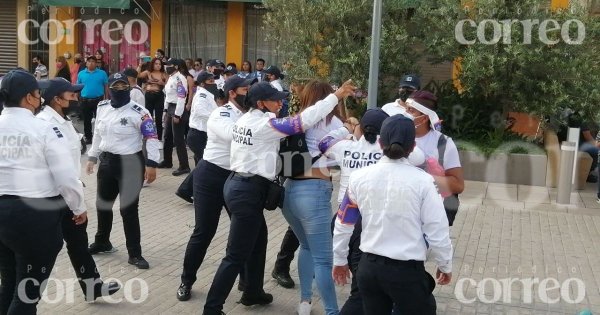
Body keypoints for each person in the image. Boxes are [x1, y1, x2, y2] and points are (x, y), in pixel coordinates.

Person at [201, 80, 356, 315]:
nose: (280, 102)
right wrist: (337, 96)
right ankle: (212, 308)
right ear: (261, 103)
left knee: (259, 240)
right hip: (249, 190)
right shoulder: (267, 125)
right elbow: (303, 120)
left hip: (240, 185)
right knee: (235, 255)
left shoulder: (244, 119)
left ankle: (253, 291)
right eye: (275, 99)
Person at [332, 114, 453, 315]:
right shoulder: (424, 182)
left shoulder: (358, 178)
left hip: (368, 269)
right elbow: (436, 229)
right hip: (406, 273)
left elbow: (344, 223)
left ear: (380, 143)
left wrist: (339, 260)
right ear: (413, 146)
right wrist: (445, 263)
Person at [320, 109, 424, 315]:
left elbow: (323, 144)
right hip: (370, 224)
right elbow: (419, 156)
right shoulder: (388, 150)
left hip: (344, 219)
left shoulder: (346, 147)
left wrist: (346, 129)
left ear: (361, 127)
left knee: (365, 287)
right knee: (362, 293)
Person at [0, 69, 85, 314]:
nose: (40, 99)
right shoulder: (43, 128)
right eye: (38, 94)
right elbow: (66, 177)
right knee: (27, 293)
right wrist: (78, 207)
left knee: (9, 284)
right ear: (29, 98)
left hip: (3, 213)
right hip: (33, 216)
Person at [37, 77, 121, 301]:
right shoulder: (47, 124)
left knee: (78, 244)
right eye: (72, 94)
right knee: (45, 251)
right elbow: (60, 170)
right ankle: (20, 296)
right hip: (55, 196)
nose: (77, 97)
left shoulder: (62, 120)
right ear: (56, 99)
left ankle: (92, 286)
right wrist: (78, 205)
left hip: (66, 192)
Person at [176, 75, 255, 302]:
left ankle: (247, 283)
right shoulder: (221, 114)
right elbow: (236, 136)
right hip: (211, 176)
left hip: (238, 178)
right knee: (204, 231)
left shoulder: (249, 115)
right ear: (232, 93)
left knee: (243, 232)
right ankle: (186, 280)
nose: (248, 92)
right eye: (244, 89)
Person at [280, 80, 350, 315]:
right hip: (315, 190)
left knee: (305, 247)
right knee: (323, 259)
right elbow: (343, 156)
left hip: (290, 190)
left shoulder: (296, 121)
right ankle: (332, 311)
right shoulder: (333, 123)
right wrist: (348, 131)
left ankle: (305, 302)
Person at [85, 72, 160, 270]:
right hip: (107, 162)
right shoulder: (102, 108)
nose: (120, 90)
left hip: (130, 164)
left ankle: (135, 253)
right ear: (108, 89)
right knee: (103, 204)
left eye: (123, 86)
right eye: (115, 87)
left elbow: (151, 138)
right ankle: (102, 241)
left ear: (129, 87)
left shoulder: (140, 112)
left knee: (128, 210)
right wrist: (92, 156)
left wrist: (152, 164)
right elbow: (97, 134)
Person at [404, 91, 464, 226]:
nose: (405, 113)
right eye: (406, 109)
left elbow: (458, 185)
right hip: (403, 210)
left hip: (432, 214)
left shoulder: (443, 143)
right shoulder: (398, 137)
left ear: (425, 118)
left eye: (411, 110)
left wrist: (422, 176)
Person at [174, 71, 219, 203]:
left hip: (203, 134)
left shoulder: (208, 94)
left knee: (203, 165)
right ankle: (187, 190)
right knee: (205, 165)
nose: (214, 83)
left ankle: (190, 190)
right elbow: (200, 111)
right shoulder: (202, 96)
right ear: (203, 83)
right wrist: (217, 115)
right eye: (211, 81)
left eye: (214, 81)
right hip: (198, 135)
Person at [159, 59, 190, 176]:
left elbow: (181, 97)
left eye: (169, 65)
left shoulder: (180, 78)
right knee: (167, 136)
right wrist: (165, 110)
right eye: (166, 65)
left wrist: (177, 114)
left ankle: (184, 166)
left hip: (178, 108)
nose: (167, 67)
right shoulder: (170, 77)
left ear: (176, 66)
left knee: (178, 139)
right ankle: (167, 161)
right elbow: (168, 96)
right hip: (170, 108)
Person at [77, 56, 109, 144]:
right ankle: (88, 137)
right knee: (87, 120)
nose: (91, 63)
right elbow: (78, 87)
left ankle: (100, 138)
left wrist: (106, 98)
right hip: (85, 100)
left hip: (99, 100)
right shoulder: (81, 74)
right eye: (89, 61)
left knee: (100, 120)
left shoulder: (102, 73)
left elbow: (106, 86)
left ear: (96, 63)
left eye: (93, 61)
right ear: (86, 63)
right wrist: (77, 98)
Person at [138, 58, 168, 141]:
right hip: (149, 95)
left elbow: (169, 84)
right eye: (156, 64)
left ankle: (159, 139)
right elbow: (138, 75)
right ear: (153, 64)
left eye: (159, 64)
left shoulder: (164, 74)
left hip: (159, 95)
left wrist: (162, 83)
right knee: (148, 117)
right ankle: (149, 136)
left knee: (158, 119)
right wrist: (140, 66)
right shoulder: (148, 72)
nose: (158, 65)